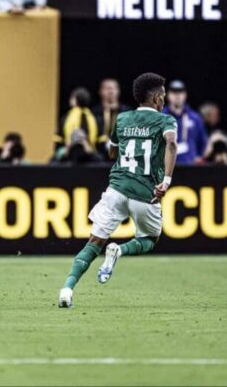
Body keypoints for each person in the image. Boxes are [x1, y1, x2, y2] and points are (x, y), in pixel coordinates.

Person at [58, 72, 177, 309]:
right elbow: (171, 143)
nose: (164, 100)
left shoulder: (122, 119)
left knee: (93, 243)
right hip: (145, 192)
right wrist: (166, 180)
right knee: (149, 239)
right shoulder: (166, 121)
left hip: (117, 189)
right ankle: (119, 250)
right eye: (162, 95)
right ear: (155, 98)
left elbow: (112, 152)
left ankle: (67, 289)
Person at [162, 80, 208, 165]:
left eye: (180, 92)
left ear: (185, 95)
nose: (177, 95)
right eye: (174, 92)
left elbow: (203, 141)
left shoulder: (195, 117)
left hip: (189, 166)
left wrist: (198, 156)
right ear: (168, 95)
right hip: (165, 166)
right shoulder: (160, 117)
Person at [92, 78, 131, 160]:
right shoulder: (94, 113)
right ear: (100, 92)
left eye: (113, 88)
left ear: (118, 91)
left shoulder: (127, 112)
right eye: (107, 88)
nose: (110, 91)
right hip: (98, 153)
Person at [54, 87, 99, 153]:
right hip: (89, 151)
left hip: (69, 151)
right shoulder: (91, 116)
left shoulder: (69, 116)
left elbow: (59, 137)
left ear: (75, 100)